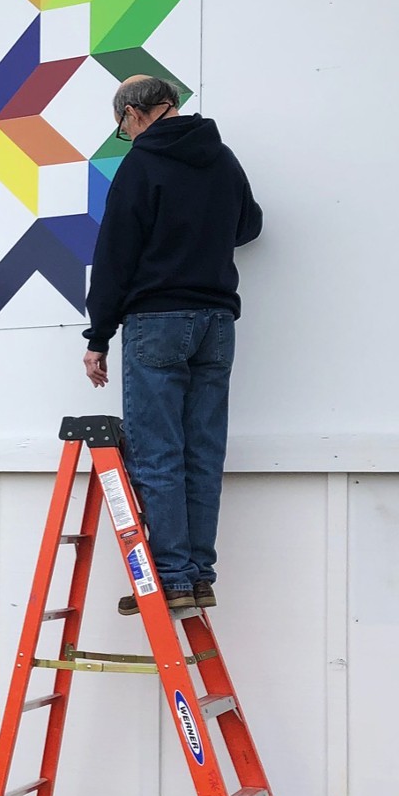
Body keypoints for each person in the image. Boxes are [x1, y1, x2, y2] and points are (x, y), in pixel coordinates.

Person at [83, 76, 263, 613]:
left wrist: (99, 336)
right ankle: (199, 574)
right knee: (202, 451)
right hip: (216, 322)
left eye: (123, 129)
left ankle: (170, 578)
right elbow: (249, 225)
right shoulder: (222, 158)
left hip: (158, 320)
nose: (127, 138)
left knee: (158, 451)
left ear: (135, 116)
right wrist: (201, 235)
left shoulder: (140, 165)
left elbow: (115, 256)